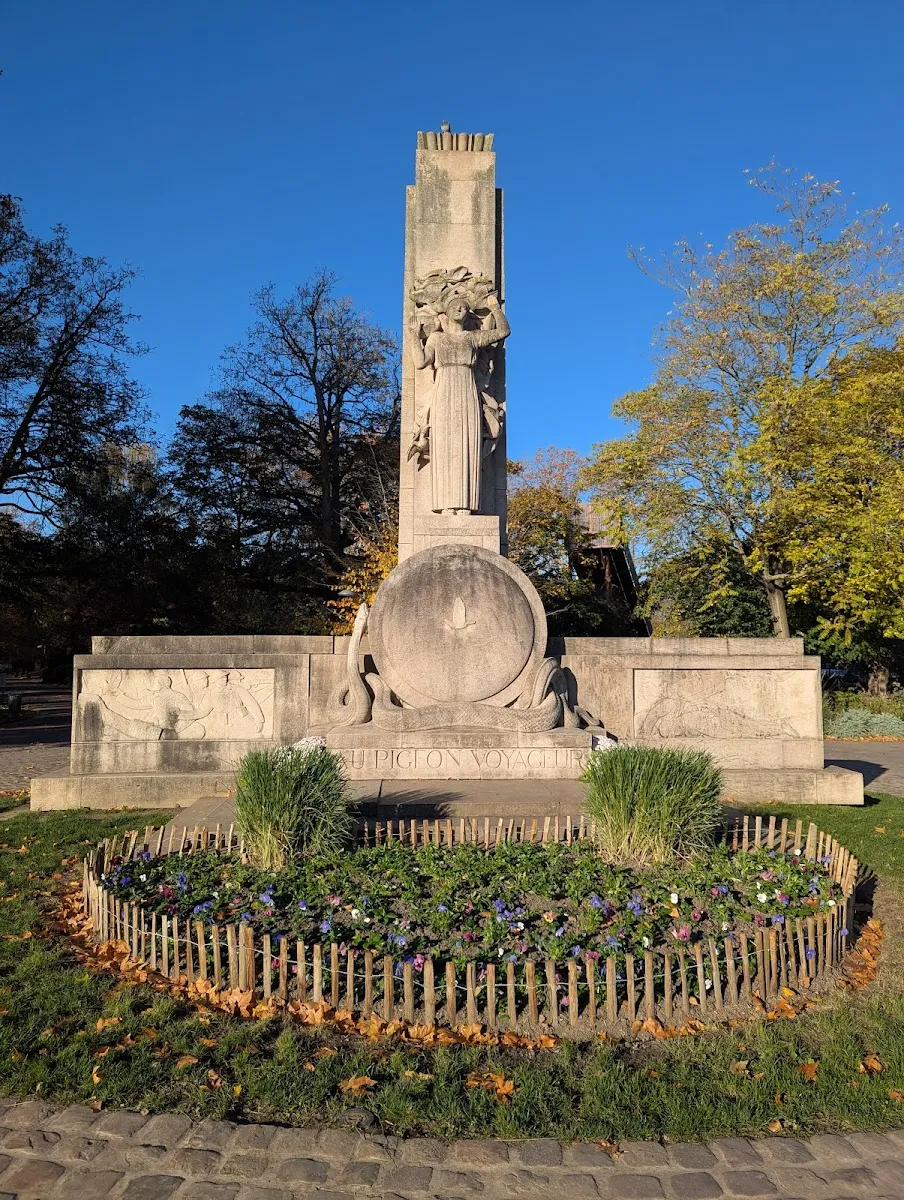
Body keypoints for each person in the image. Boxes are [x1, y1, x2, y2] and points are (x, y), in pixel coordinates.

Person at [410, 291, 510, 512]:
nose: (459, 308)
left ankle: (466, 506)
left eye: (464, 307)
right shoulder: (437, 338)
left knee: (467, 445)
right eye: (455, 305)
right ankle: (445, 506)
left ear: (467, 314)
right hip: (443, 392)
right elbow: (420, 362)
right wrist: (413, 337)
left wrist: (494, 307)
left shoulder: (472, 337)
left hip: (467, 391)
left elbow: (503, 331)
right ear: (445, 312)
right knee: (444, 446)